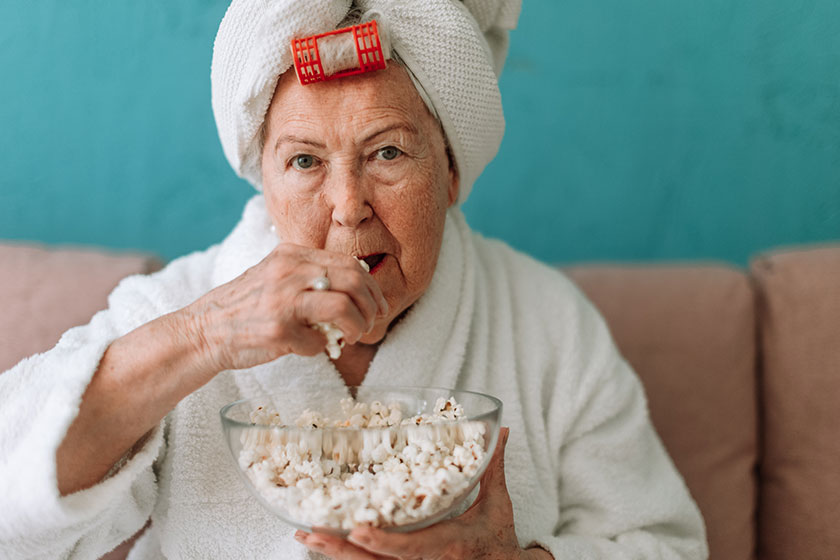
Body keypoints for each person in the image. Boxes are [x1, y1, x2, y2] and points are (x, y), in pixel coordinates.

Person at [0, 1, 708, 558]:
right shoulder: (181, 308)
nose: (348, 206)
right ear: (265, 180)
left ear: (452, 169)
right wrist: (206, 334)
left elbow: (667, 545)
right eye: (305, 162)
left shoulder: (546, 321)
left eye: (388, 151)